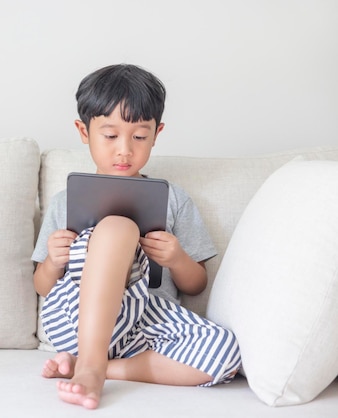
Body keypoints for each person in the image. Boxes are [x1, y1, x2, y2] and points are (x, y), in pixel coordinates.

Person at [31, 64, 241, 410]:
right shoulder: (65, 201)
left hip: (146, 324)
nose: (125, 150)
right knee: (118, 227)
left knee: (225, 354)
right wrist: (54, 262)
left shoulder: (174, 198)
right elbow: (42, 287)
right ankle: (90, 361)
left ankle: (94, 367)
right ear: (84, 132)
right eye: (110, 136)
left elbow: (196, 284)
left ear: (157, 134)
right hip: (76, 318)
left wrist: (176, 259)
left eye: (139, 137)